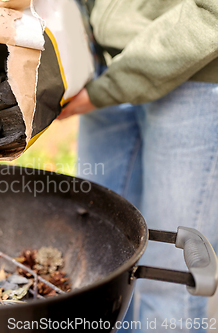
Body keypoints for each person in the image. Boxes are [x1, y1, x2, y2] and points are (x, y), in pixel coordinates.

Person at [60, 0, 218, 332]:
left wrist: (112, 87)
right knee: (97, 258)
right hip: (103, 66)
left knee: (169, 279)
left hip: (195, 72)